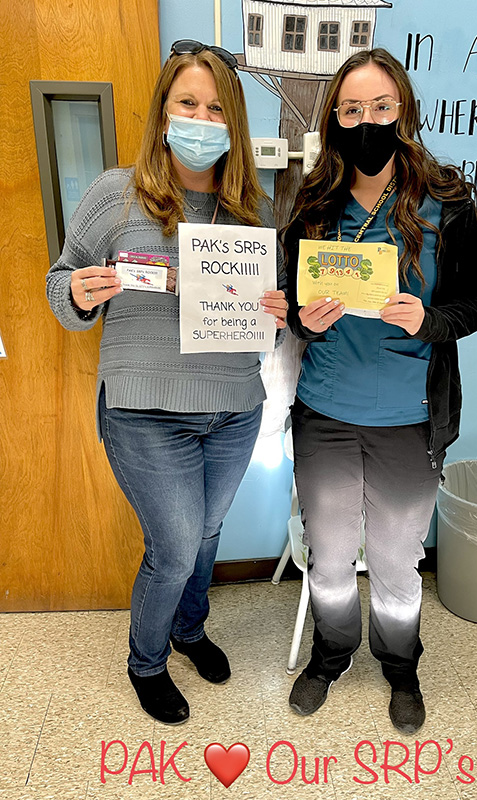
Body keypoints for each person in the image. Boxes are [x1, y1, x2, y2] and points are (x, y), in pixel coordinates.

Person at [46, 40, 287, 725]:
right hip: (144, 412)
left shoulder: (255, 211)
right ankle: (146, 659)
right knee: (177, 547)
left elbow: (260, 329)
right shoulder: (113, 193)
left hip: (235, 408)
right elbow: (60, 283)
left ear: (233, 124)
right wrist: (81, 294)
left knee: (207, 536)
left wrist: (272, 317)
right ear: (163, 112)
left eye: (216, 108)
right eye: (187, 103)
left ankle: (188, 629)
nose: (201, 119)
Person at [283, 48, 477, 733]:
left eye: (380, 106)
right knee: (332, 558)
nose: (367, 120)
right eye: (351, 110)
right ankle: (332, 653)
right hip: (326, 415)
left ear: (402, 107)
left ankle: (400, 666)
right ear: (335, 118)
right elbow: (293, 299)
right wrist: (297, 316)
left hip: (410, 420)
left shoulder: (449, 199)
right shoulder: (314, 200)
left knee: (398, 562)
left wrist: (431, 320)